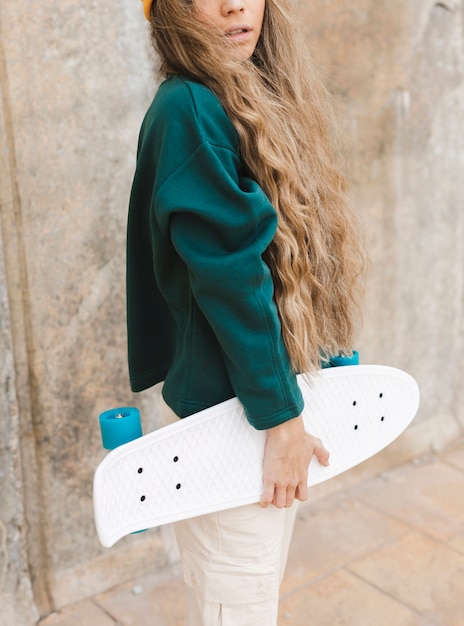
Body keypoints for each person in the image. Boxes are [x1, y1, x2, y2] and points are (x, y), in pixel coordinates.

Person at [126, 0, 365, 623]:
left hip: (251, 403)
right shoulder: (190, 106)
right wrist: (281, 419)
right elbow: (232, 276)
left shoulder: (233, 94)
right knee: (239, 606)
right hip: (235, 417)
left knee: (246, 598)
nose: (236, 5)